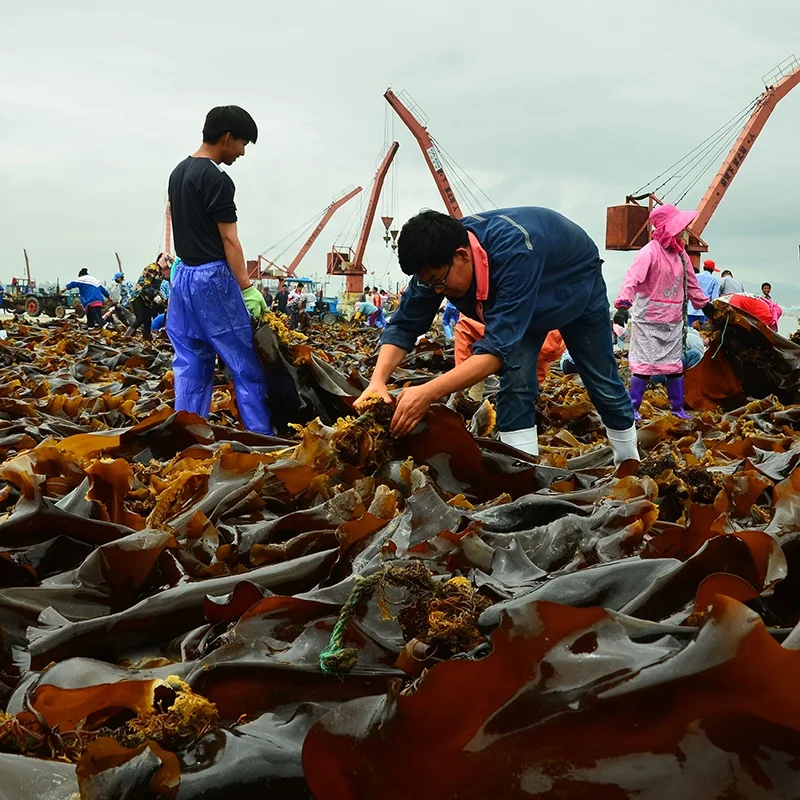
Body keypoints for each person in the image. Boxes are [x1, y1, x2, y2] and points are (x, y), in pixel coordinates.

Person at [355, 207, 639, 465]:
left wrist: (427, 393)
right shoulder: (435, 264)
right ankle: (524, 472)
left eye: (439, 282)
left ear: (463, 256)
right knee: (515, 385)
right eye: (429, 284)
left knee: (601, 381)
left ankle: (629, 462)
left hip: (575, 284)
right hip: (521, 304)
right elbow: (405, 325)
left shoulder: (515, 252)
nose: (437, 291)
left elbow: (494, 352)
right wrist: (377, 381)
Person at [165, 105, 272, 435]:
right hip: (213, 279)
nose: (241, 152)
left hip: (183, 277)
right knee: (243, 363)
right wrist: (246, 287)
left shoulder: (178, 172)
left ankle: (188, 432)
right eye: (242, 144)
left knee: (191, 360)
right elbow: (230, 240)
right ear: (227, 138)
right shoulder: (217, 179)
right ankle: (260, 435)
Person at [615, 204, 713, 420]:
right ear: (667, 229)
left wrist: (705, 305)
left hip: (673, 320)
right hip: (648, 319)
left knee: (674, 366)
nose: (684, 233)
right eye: (680, 228)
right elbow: (633, 279)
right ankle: (632, 409)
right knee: (643, 366)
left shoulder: (681, 256)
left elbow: (692, 284)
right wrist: (623, 305)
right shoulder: (648, 252)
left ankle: (677, 409)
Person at [126, 257, 169, 340]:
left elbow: (157, 288)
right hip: (139, 296)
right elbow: (145, 285)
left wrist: (163, 300)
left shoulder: (160, 274)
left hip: (148, 300)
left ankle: (147, 340)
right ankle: (126, 337)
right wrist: (155, 295)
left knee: (147, 321)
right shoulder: (152, 268)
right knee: (140, 319)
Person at [688, 259, 720, 326]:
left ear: (703, 268)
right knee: (701, 333)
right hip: (704, 311)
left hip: (690, 309)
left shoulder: (695, 277)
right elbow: (714, 298)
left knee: (689, 331)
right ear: (712, 270)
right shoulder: (714, 280)